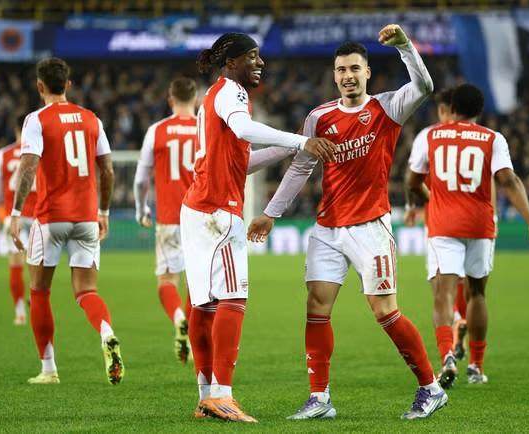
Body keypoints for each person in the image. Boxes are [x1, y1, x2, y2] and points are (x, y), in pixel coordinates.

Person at [248, 25, 447, 420]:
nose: (348, 76)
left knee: (385, 311)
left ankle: (431, 387)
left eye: (355, 68)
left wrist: (405, 46)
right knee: (316, 307)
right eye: (341, 70)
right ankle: (319, 398)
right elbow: (301, 167)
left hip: (370, 227)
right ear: (334, 74)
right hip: (327, 228)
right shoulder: (319, 117)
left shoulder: (387, 108)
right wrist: (271, 213)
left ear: (367, 72)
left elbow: (424, 86)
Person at [182, 32, 336, 423]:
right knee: (233, 299)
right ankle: (223, 395)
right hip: (218, 211)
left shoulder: (212, 95)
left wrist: (286, 148)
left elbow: (241, 161)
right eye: (252, 56)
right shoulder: (232, 92)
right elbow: (244, 129)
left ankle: (205, 397)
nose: (260, 63)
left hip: (197, 209)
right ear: (232, 62)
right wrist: (299, 142)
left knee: (204, 306)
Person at [406, 83, 529, 386]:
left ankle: (447, 356)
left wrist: (428, 198)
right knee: (477, 293)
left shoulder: (430, 136)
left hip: (444, 225)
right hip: (480, 225)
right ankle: (476, 367)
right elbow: (509, 180)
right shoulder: (493, 139)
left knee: (443, 292)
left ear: (452, 107)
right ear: (479, 111)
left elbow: (413, 181)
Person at [10, 57, 124, 385]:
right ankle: (106, 332)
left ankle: (48, 369)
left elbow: (28, 167)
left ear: (40, 86)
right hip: (87, 217)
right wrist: (103, 212)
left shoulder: (36, 119)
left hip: (51, 218)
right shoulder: (91, 119)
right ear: (68, 85)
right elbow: (108, 170)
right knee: (86, 291)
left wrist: (16, 213)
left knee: (39, 291)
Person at [404, 88, 473, 365]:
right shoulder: (478, 135)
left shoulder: (428, 136)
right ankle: (462, 331)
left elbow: (413, 177)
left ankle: (453, 329)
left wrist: (412, 206)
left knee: (440, 285)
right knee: (464, 282)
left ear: (443, 110)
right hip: (473, 220)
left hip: (440, 219)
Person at [133, 77, 199, 364]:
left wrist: (141, 209)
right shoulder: (206, 128)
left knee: (167, 280)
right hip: (201, 217)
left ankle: (178, 318)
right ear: (195, 100)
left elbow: (140, 179)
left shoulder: (157, 130)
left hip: (170, 217)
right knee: (198, 284)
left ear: (171, 100)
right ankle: (192, 339)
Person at [0, 113, 37, 325]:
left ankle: (19, 312)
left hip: (12, 217)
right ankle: (35, 300)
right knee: (38, 265)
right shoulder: (40, 152)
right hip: (37, 216)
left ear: (16, 129)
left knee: (15, 263)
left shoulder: (3, 155)